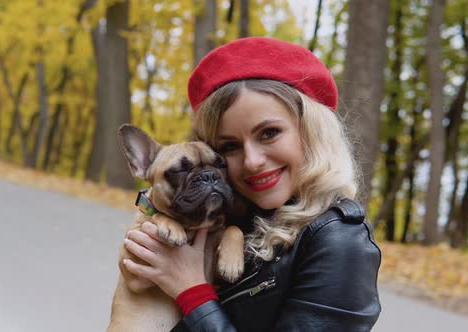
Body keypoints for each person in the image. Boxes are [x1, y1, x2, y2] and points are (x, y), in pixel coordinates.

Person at [122, 37, 381, 331]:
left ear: (312, 131)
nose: (253, 161)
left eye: (269, 133)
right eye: (229, 146)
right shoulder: (237, 215)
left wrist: (192, 293)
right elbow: (136, 282)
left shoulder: (338, 242)